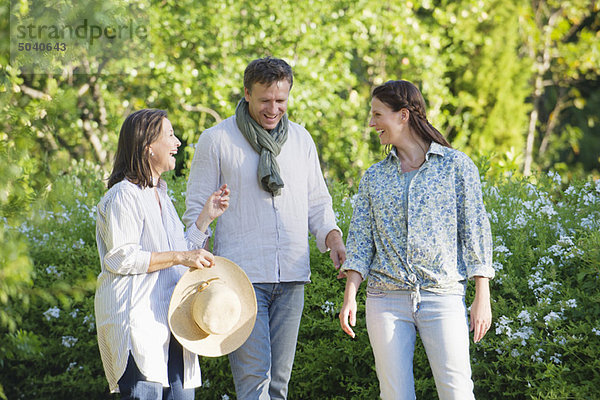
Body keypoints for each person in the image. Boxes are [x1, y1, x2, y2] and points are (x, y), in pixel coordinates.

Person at [183, 57, 346, 399]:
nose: (273, 109)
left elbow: (318, 202)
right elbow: (197, 209)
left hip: (291, 276)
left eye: (281, 100)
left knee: (278, 384)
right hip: (240, 279)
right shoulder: (216, 140)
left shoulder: (301, 140)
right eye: (264, 100)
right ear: (246, 94)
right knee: (254, 381)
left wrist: (332, 238)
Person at [339, 80, 495, 400]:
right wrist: (350, 295)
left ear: (404, 115)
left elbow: (475, 230)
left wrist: (483, 294)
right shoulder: (374, 177)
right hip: (385, 299)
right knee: (395, 395)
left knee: (457, 392)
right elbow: (360, 240)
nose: (371, 123)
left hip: (443, 295)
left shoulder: (456, 166)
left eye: (378, 114)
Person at [94, 108, 230, 399]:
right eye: (170, 135)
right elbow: (121, 257)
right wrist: (182, 257)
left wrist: (205, 219)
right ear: (148, 148)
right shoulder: (123, 196)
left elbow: (179, 254)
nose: (178, 142)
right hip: (139, 327)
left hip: (174, 323)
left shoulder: (162, 195)